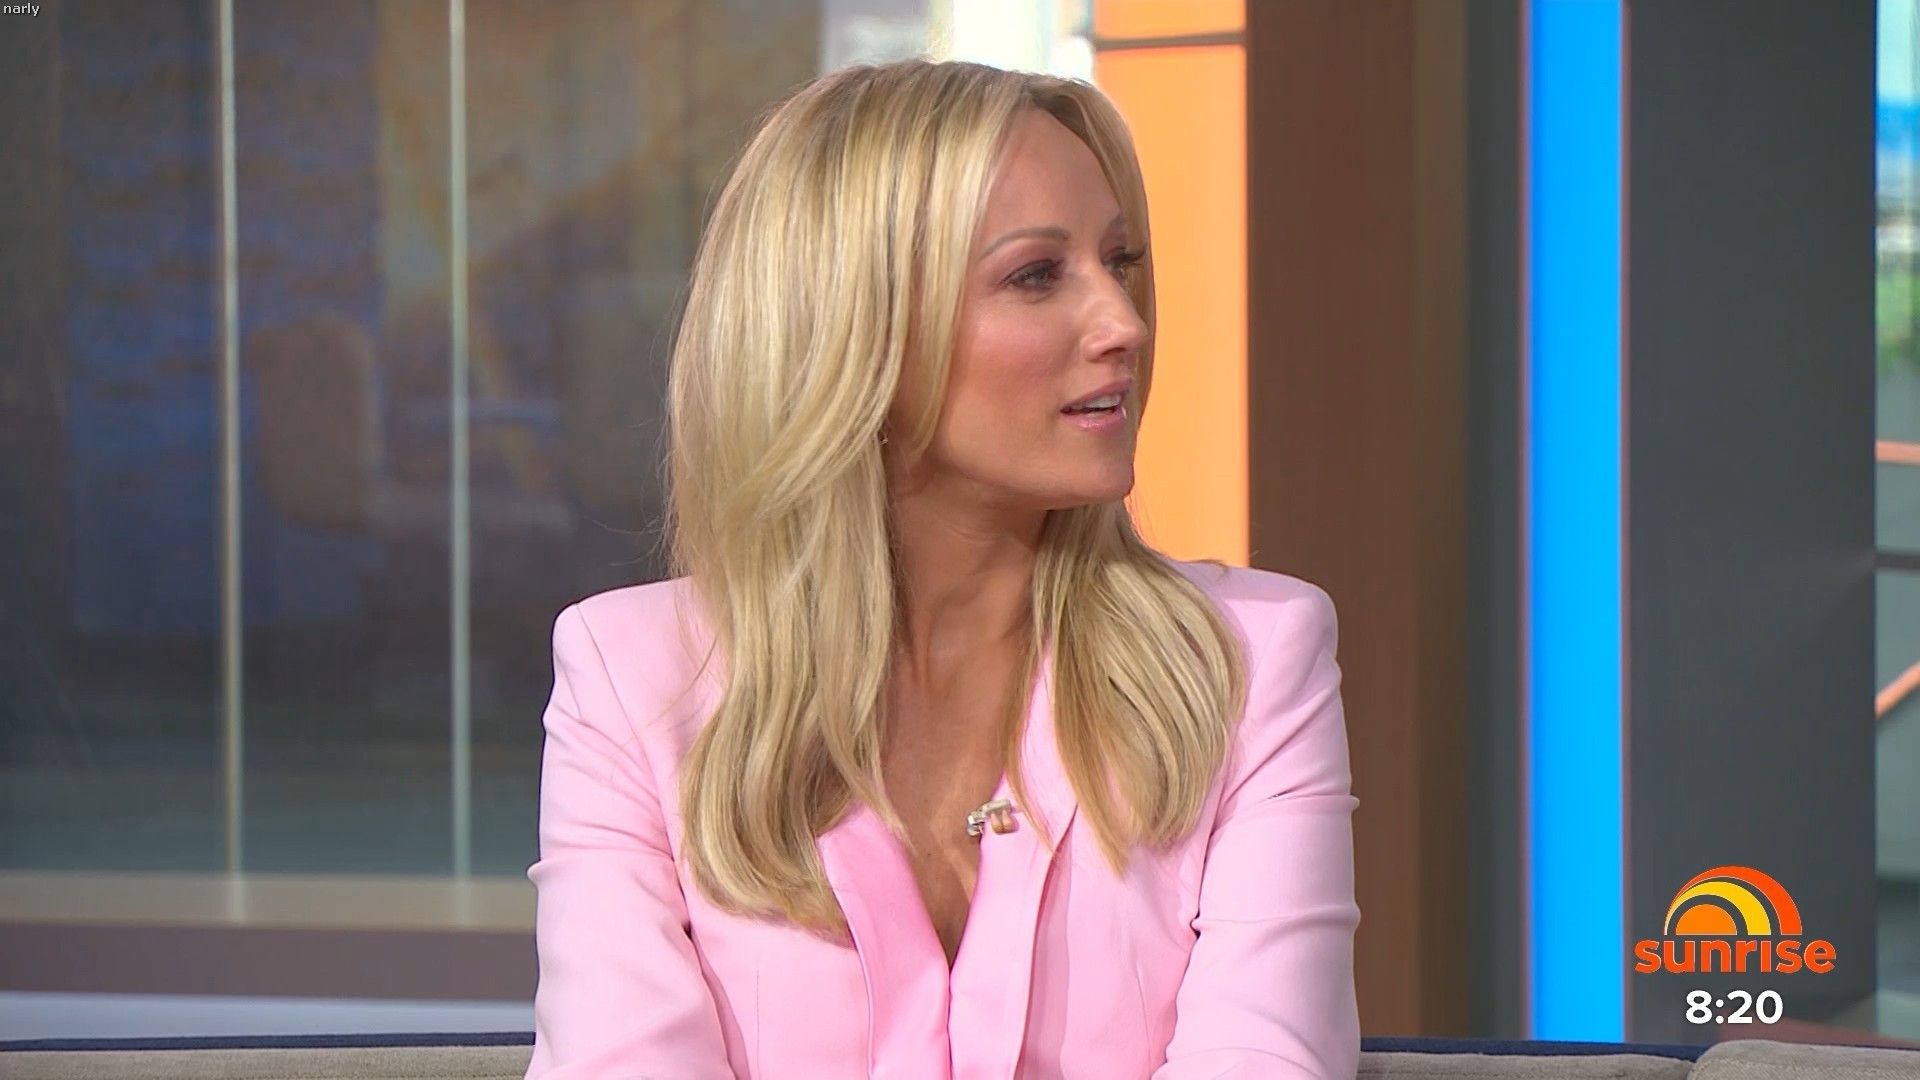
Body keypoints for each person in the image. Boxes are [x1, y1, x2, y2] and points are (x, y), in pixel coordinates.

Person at [524, 58, 1360, 1079]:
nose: (1125, 325)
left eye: (1120, 261)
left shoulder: (1252, 664)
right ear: (855, 327)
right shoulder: (634, 680)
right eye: (1037, 275)